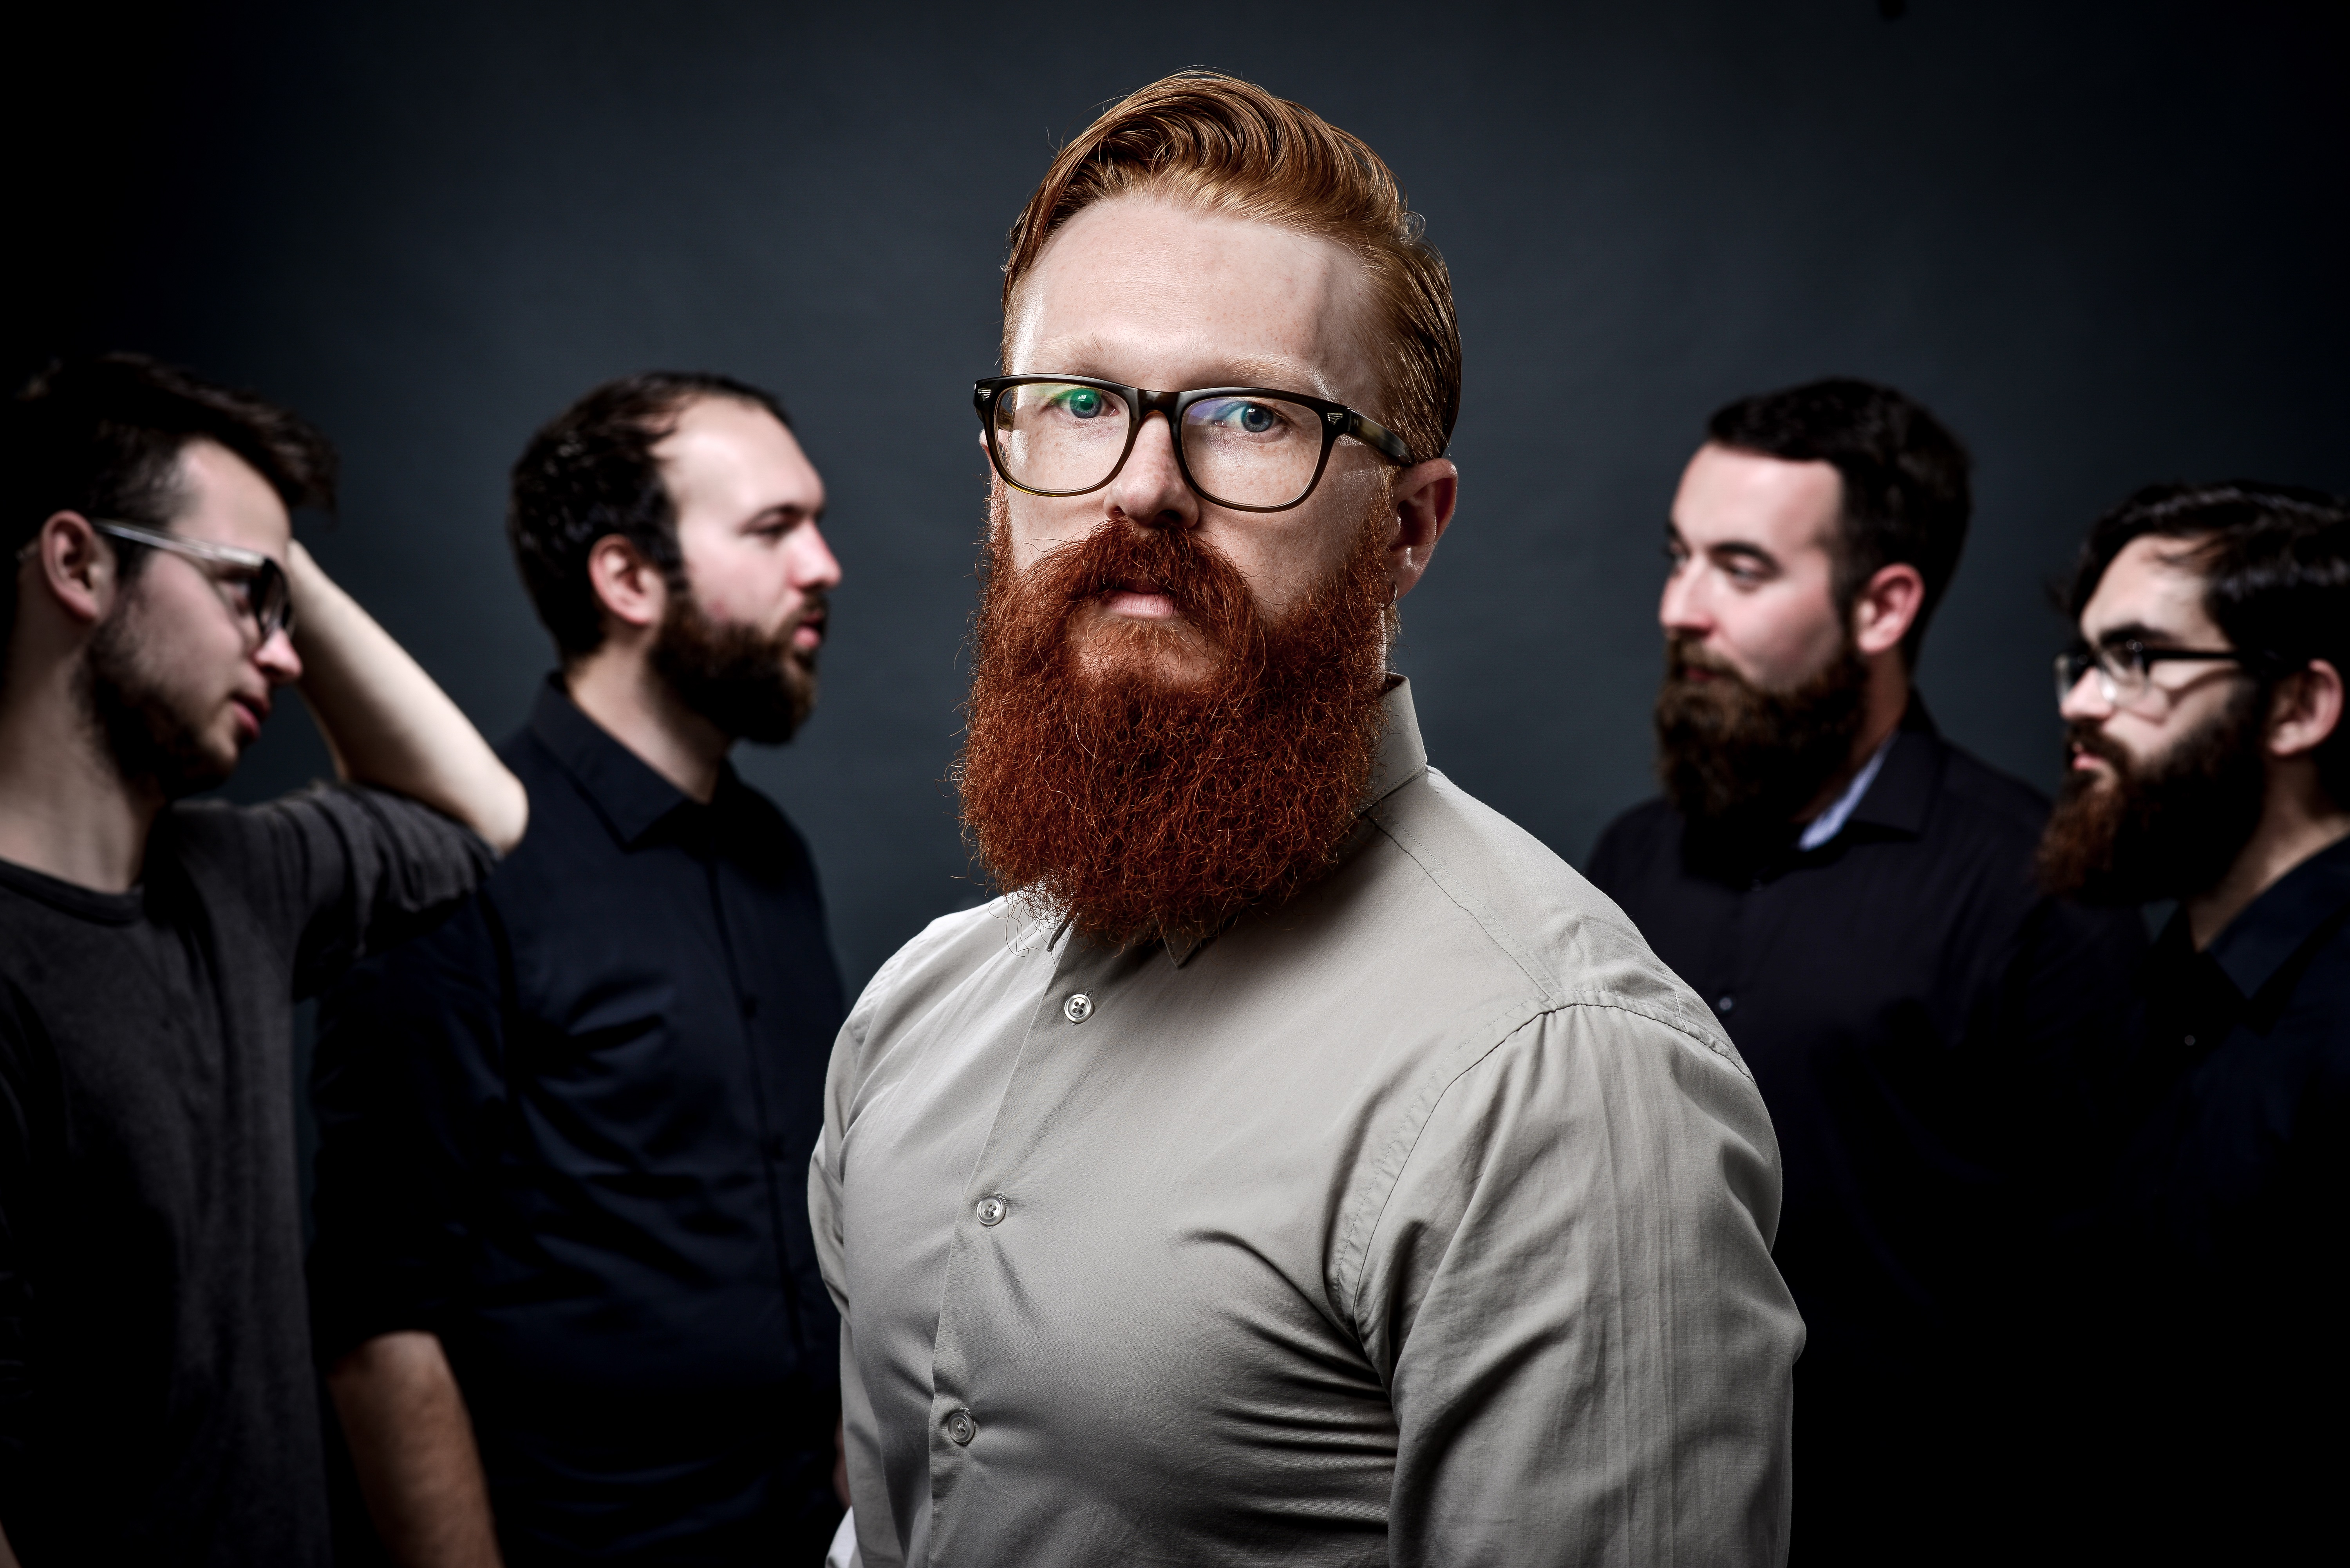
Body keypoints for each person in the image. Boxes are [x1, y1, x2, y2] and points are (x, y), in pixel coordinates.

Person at [810, 71, 1801, 1568]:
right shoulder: (914, 1013)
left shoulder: (1562, 1081)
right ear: (1001, 483)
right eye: (1077, 404)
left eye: (1249, 416)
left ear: (1407, 528)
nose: (1144, 488)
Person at [1584, 379, 2144, 1564]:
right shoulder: (1631, 860)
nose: (1680, 609)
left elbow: (2106, 1312)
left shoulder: (2041, 891)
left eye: (1741, 570)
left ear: (1884, 605)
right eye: (1680, 557)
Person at [309, 372, 849, 1566]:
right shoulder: (454, 871)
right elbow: (376, 1318)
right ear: (627, 579)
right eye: (773, 528)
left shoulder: (775, 855)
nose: (823, 565)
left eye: (816, 523)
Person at [0, 354, 528, 1566]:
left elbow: (482, 813)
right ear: (78, 563)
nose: (285, 656)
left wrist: (271, 563)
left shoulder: (234, 881)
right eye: (247, 595)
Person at [2039, 481, 2349, 1563]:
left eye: (2139, 659)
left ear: (2298, 707)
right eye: (2084, 661)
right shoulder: (2153, 998)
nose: (2084, 703)